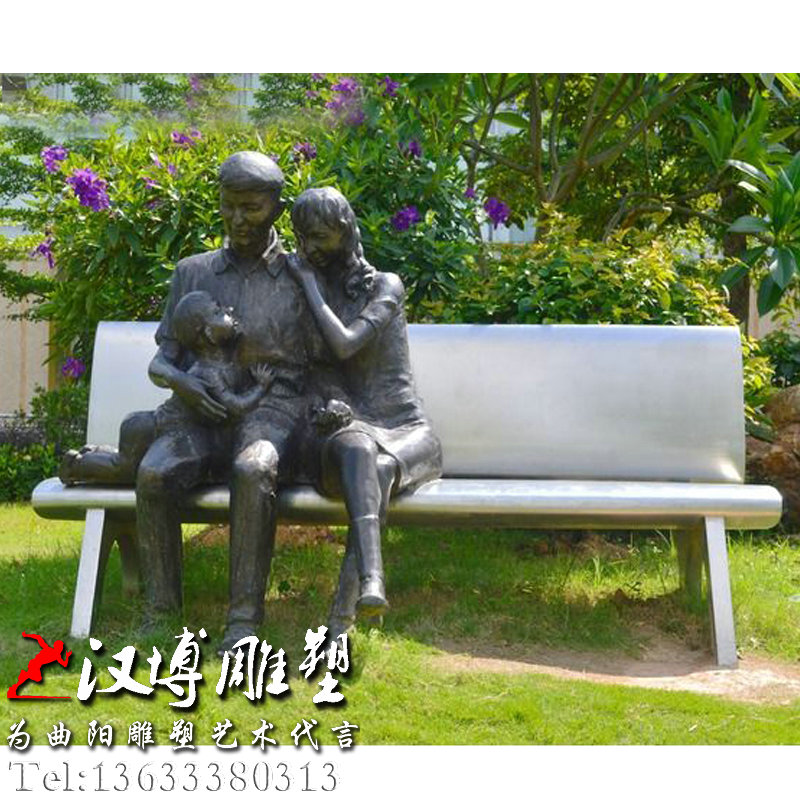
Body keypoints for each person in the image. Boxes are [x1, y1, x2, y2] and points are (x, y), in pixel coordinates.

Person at [137, 151, 321, 652]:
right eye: (229, 205)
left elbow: (327, 361)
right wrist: (184, 385)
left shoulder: (301, 277)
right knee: (153, 474)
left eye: (252, 208)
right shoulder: (192, 274)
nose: (238, 219)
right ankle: (160, 613)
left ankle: (243, 623)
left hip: (272, 412)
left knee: (253, 468)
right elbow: (163, 360)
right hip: (199, 416)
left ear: (276, 208)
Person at [288, 187, 443, 638]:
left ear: (345, 232)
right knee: (363, 456)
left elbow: (345, 344)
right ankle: (363, 593)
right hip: (350, 429)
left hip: (406, 429)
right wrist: (331, 403)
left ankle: (346, 612)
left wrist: (309, 287)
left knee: (378, 468)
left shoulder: (384, 286)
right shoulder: (308, 292)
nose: (308, 250)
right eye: (301, 238)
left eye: (319, 237)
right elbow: (315, 368)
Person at [59, 290, 275, 486]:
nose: (228, 310)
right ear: (209, 334)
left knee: (126, 461)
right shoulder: (208, 373)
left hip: (152, 426)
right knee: (124, 469)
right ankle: (75, 465)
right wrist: (261, 387)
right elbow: (236, 406)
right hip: (150, 428)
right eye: (218, 312)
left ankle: (95, 452)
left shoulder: (220, 363)